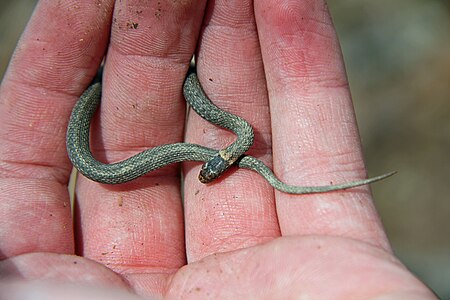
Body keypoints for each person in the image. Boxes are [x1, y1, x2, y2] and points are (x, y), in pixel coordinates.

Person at [0, 1, 436, 299]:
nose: (208, 174)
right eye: (211, 171)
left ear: (225, 162)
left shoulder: (239, 136)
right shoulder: (234, 137)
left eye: (211, 171)